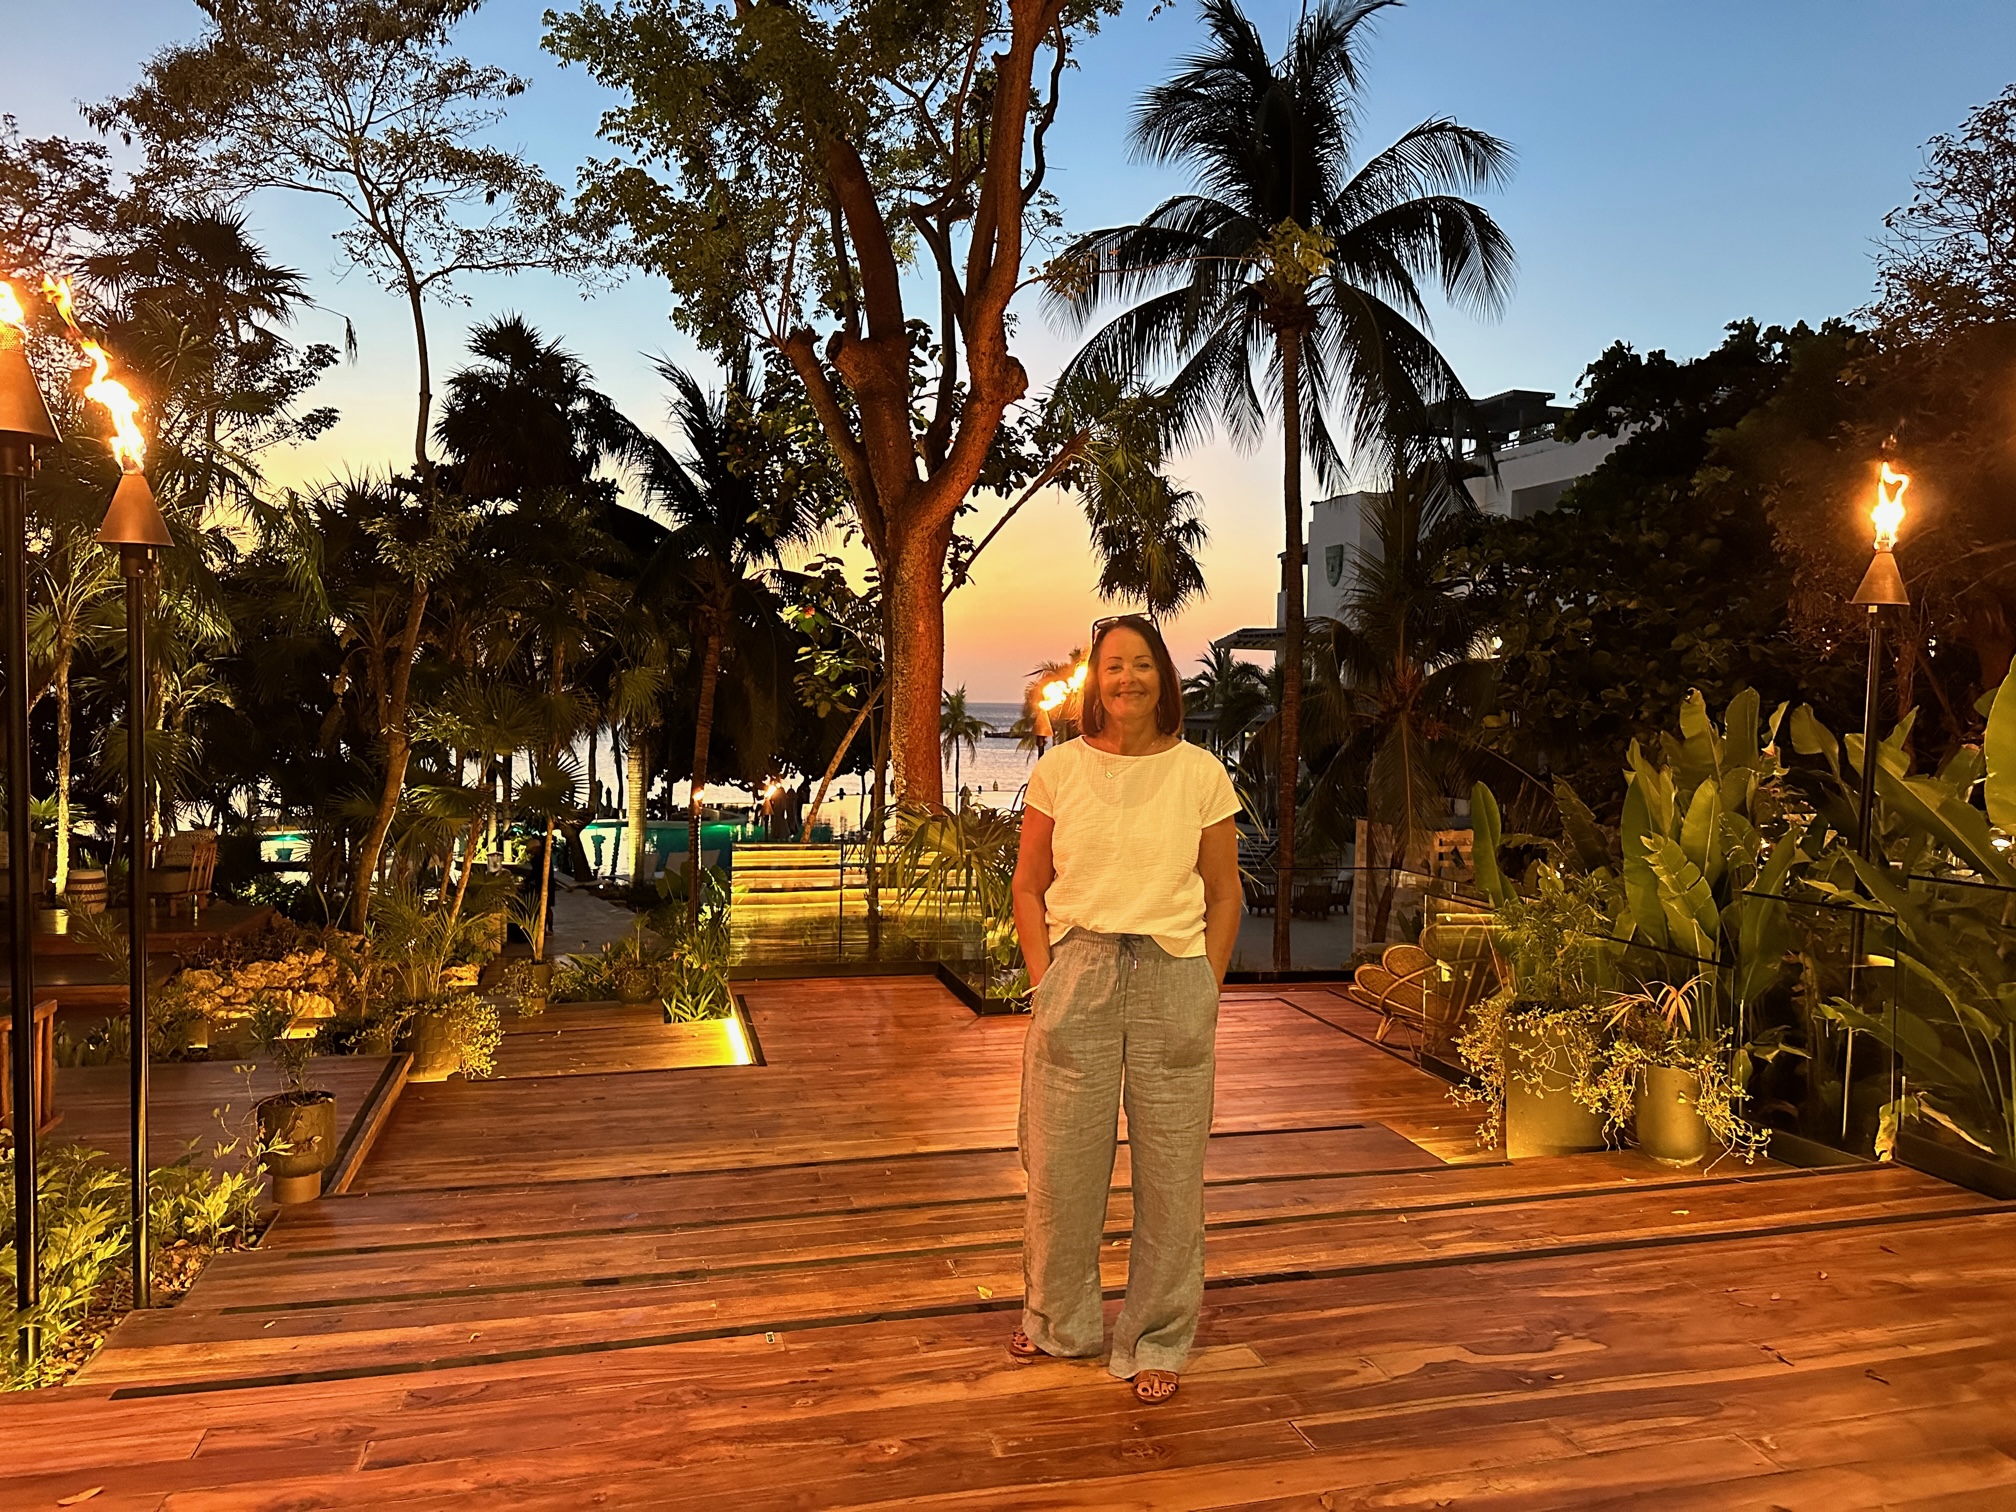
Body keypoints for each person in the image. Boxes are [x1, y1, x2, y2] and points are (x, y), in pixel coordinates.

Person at [1008, 614, 1243, 1405]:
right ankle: (1058, 1318)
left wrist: (1206, 982)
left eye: (1142, 666)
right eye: (1112, 667)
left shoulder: (1201, 773)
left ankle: (1157, 1337)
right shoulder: (1060, 771)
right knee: (1060, 1165)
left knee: (1172, 1176)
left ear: (1162, 679)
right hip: (1079, 972)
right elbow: (1028, 885)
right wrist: (1045, 978)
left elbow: (1224, 894)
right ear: (1094, 683)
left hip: (1173, 972)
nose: (1127, 680)